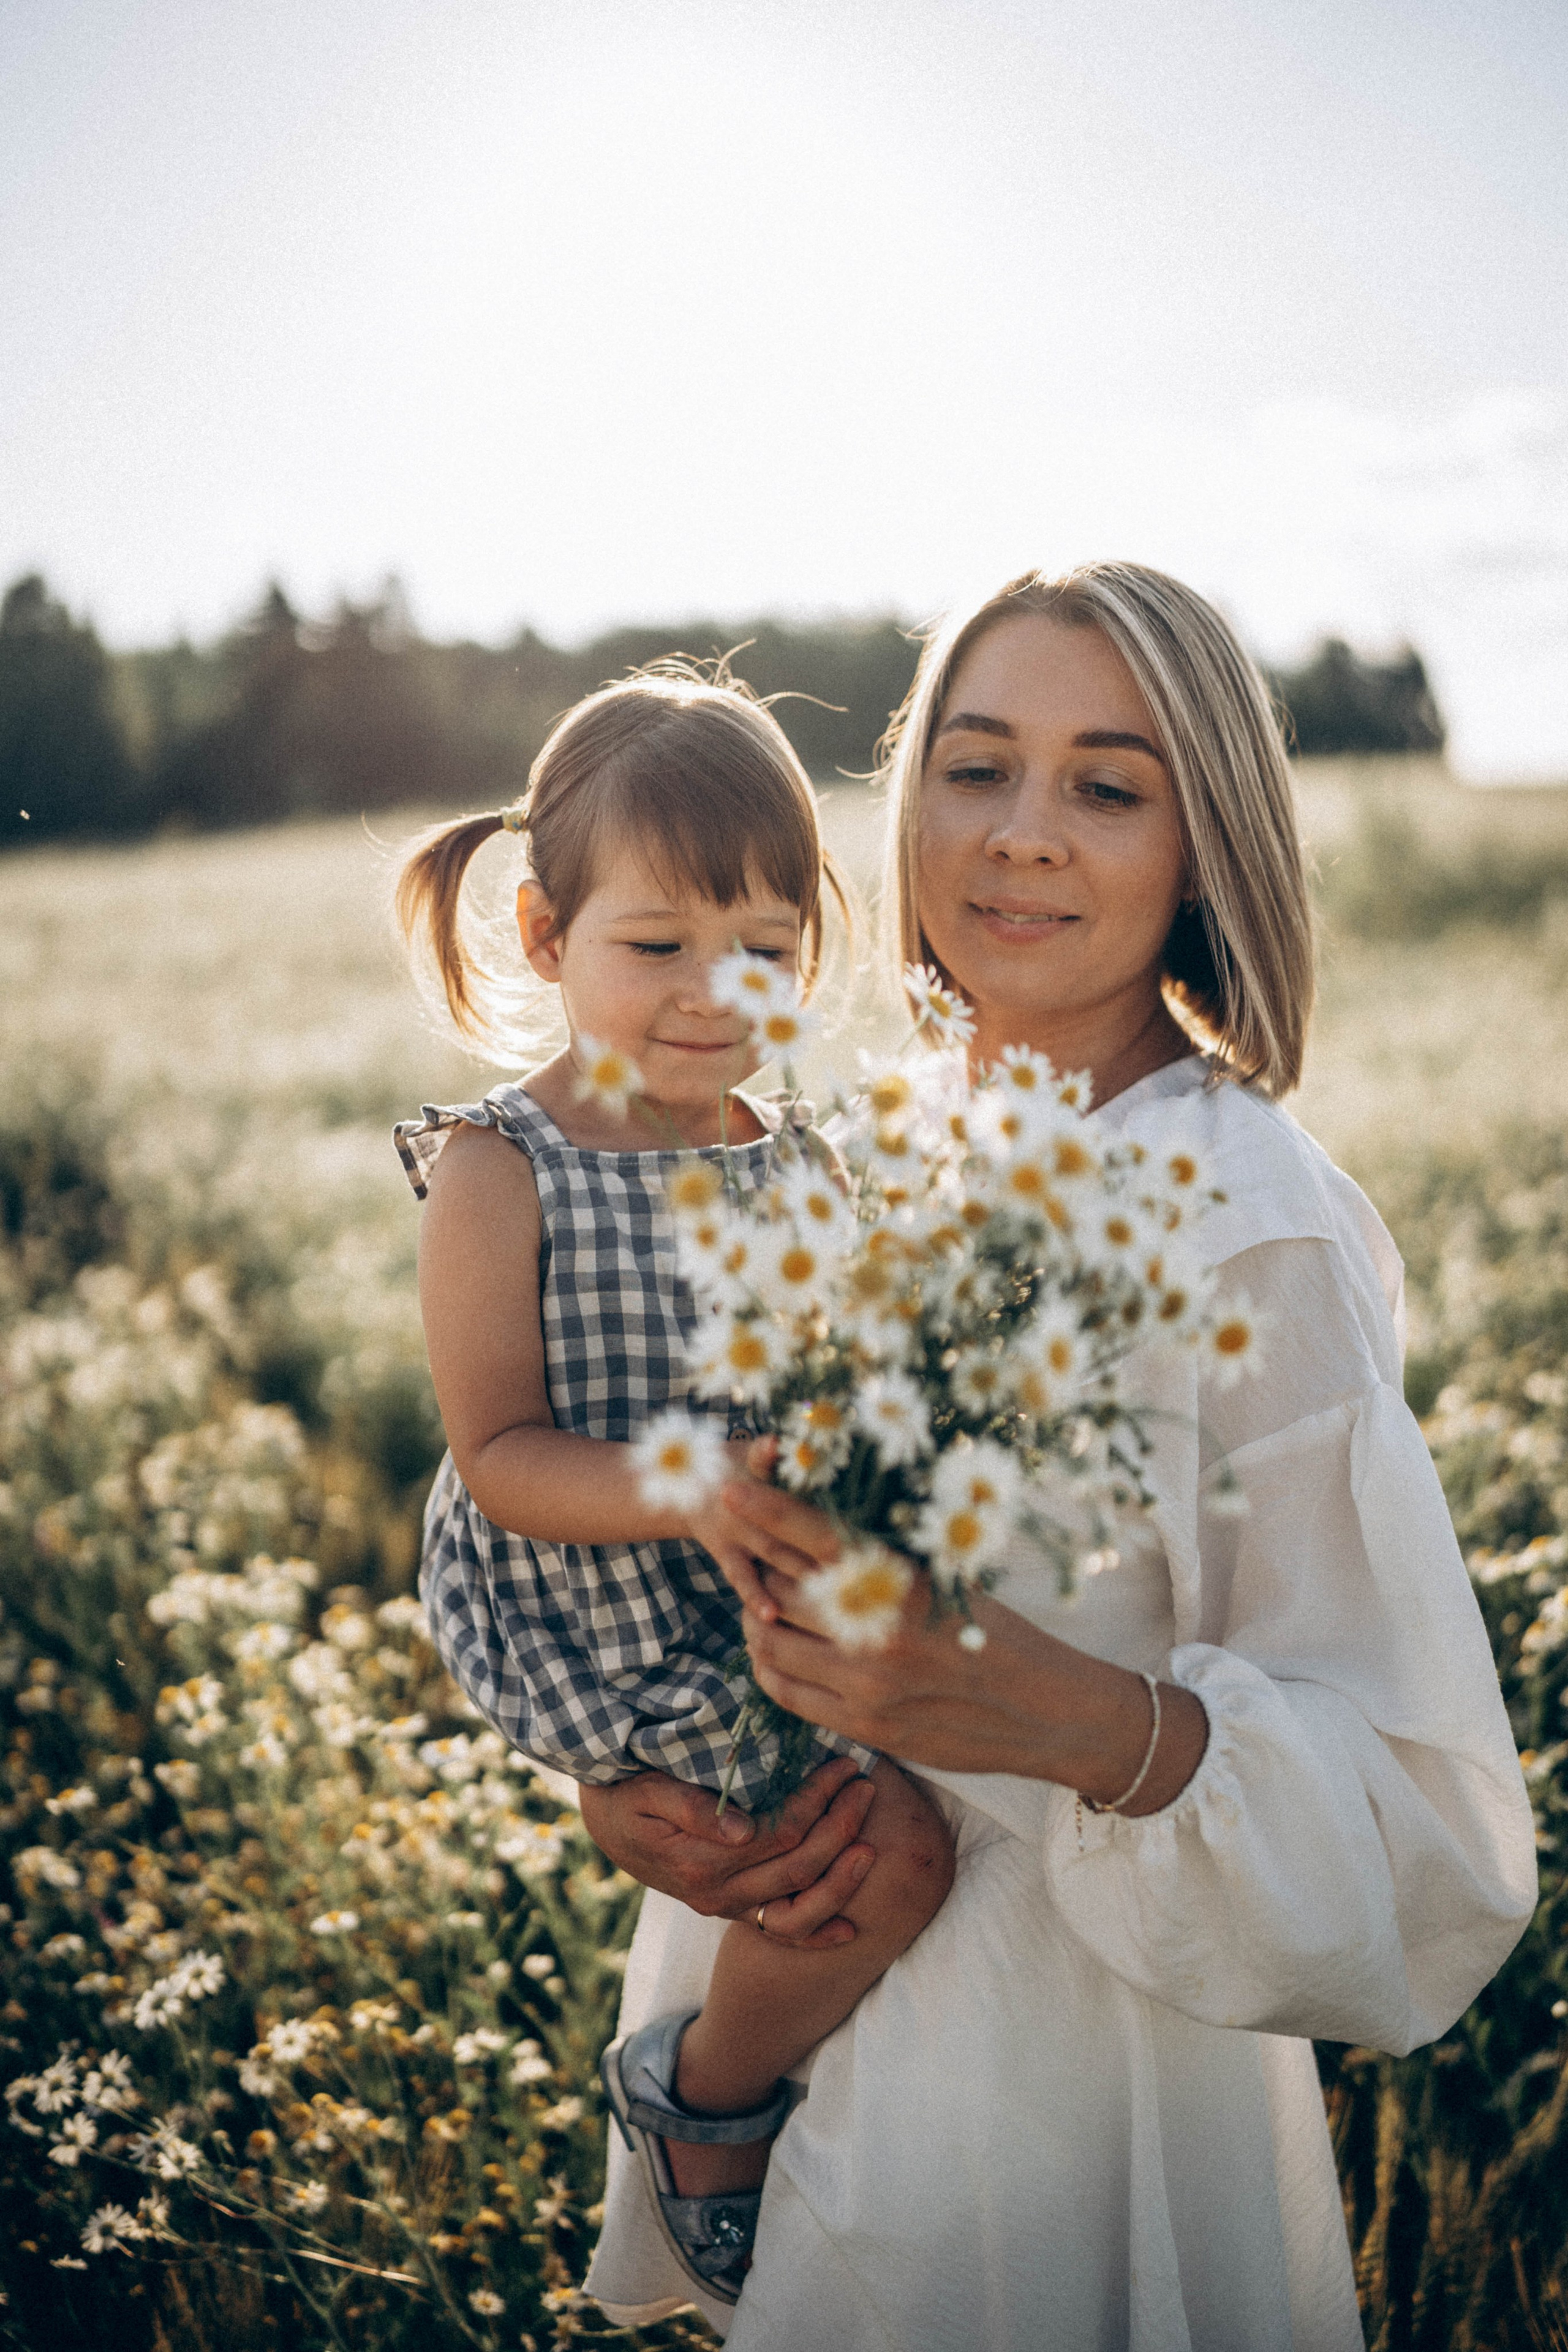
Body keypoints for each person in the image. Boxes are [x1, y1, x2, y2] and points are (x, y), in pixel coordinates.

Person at [579, 566, 1538, 2348]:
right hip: (798, 2054)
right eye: (975, 768)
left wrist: (1059, 1715)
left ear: (1205, 845)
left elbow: (1431, 1843)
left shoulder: (1255, 1226)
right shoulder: (881, 1156)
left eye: (1107, 785)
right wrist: (637, 1776)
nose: (1022, 837)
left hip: (1068, 2117)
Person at [392, 668, 956, 2309]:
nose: (717, 996)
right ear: (544, 933)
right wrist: (687, 1479)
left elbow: (846, 1390)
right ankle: (704, 2106)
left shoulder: (804, 1158)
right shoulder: (504, 1171)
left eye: (767, 953)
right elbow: (500, 1463)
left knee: (919, 1838)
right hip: (622, 1613)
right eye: (659, 949)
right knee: (889, 1861)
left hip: (777, 1582)